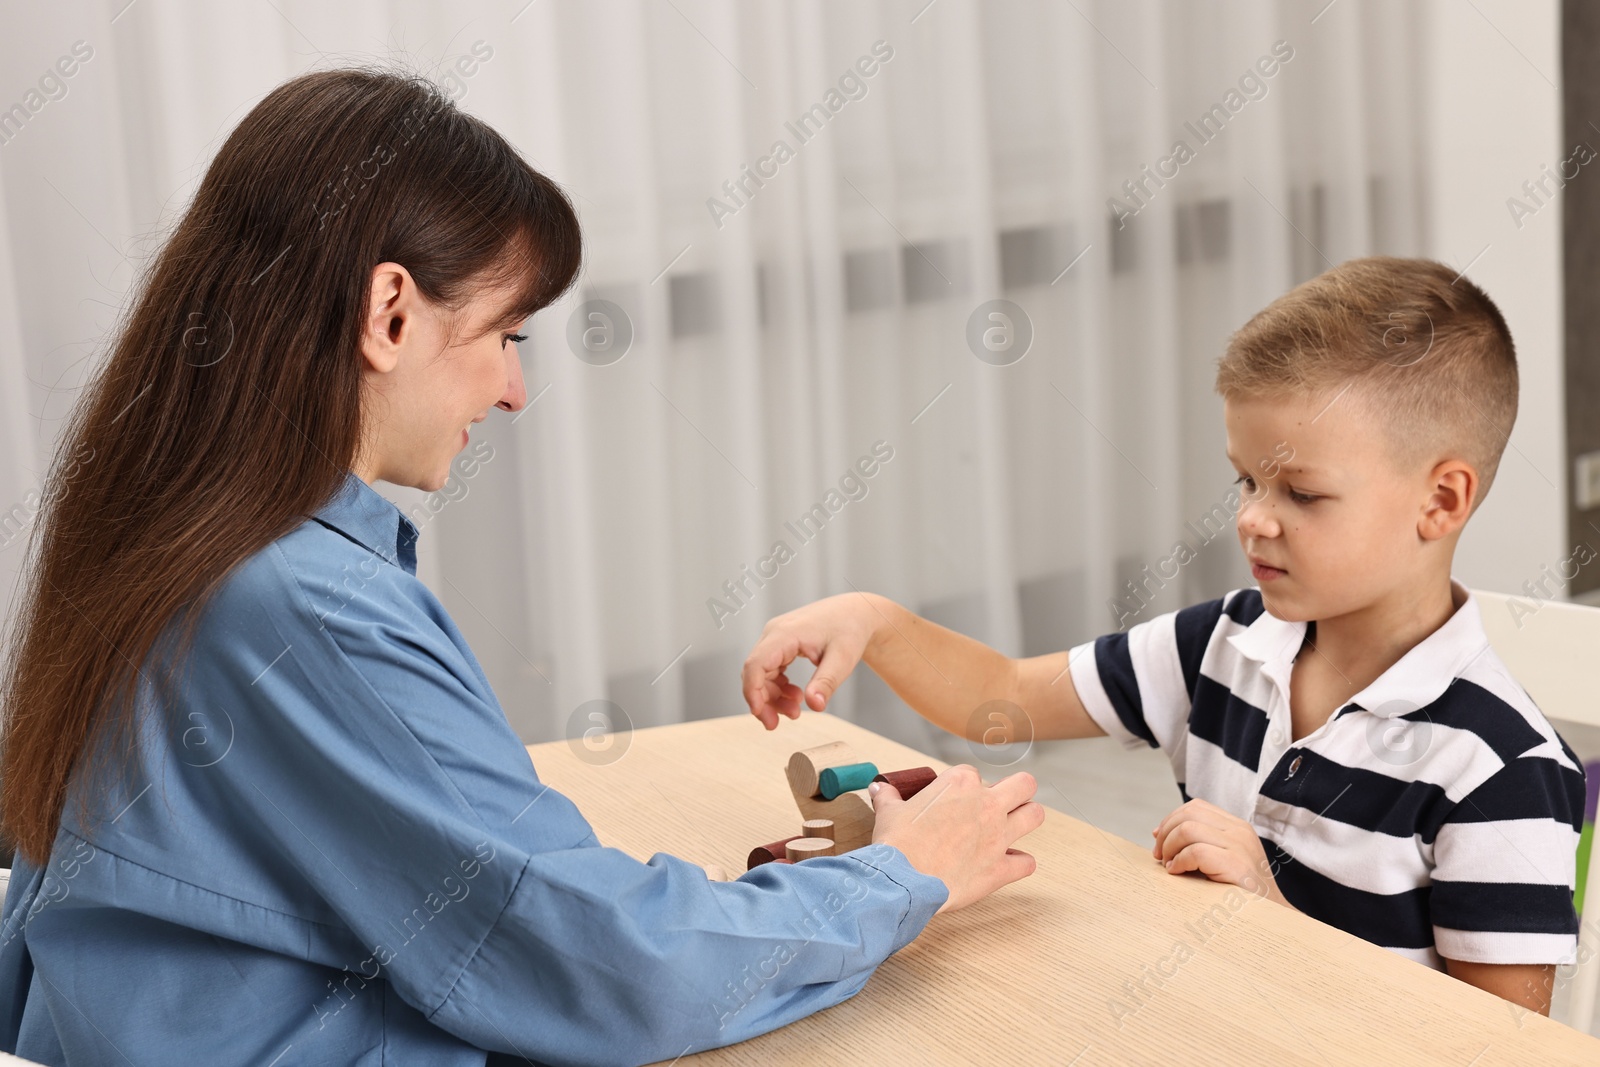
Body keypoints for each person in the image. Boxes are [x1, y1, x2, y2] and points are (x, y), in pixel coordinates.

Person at [0, 68, 1043, 1066]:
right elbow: (608, 967)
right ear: (390, 312)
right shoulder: (302, 603)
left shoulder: (171, 529)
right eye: (505, 332)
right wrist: (902, 874)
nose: (513, 390)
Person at [744, 257, 1586, 1016]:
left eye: (1301, 492)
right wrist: (876, 622)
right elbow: (995, 695)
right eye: (1247, 479)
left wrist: (1270, 913)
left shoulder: (1500, 771)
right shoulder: (1224, 643)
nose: (1254, 518)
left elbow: (1497, 1045)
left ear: (1441, 502)